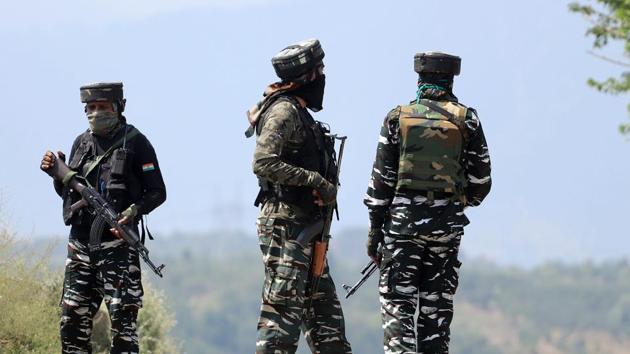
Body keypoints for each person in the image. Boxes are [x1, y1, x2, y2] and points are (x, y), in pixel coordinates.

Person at [364, 52, 492, 354]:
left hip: (403, 226)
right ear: (450, 79)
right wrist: (456, 202)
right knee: (435, 311)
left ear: (419, 78)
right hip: (447, 228)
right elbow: (481, 183)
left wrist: (375, 232)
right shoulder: (467, 120)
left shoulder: (398, 118)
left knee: (398, 304)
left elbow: (381, 183)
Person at [40, 82, 166, 354]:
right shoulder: (81, 142)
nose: (96, 113)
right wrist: (55, 174)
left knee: (123, 325)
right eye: (92, 108)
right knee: (72, 322)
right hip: (81, 247)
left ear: (118, 108)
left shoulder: (136, 143)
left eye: (103, 107)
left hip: (118, 249)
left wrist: (131, 213)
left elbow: (157, 191)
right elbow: (68, 191)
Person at [247, 39, 353, 354]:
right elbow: (263, 163)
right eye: (318, 70)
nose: (323, 76)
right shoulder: (283, 110)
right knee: (281, 319)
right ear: (306, 76)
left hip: (308, 231)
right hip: (286, 229)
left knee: (327, 324)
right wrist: (314, 180)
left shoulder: (299, 111)